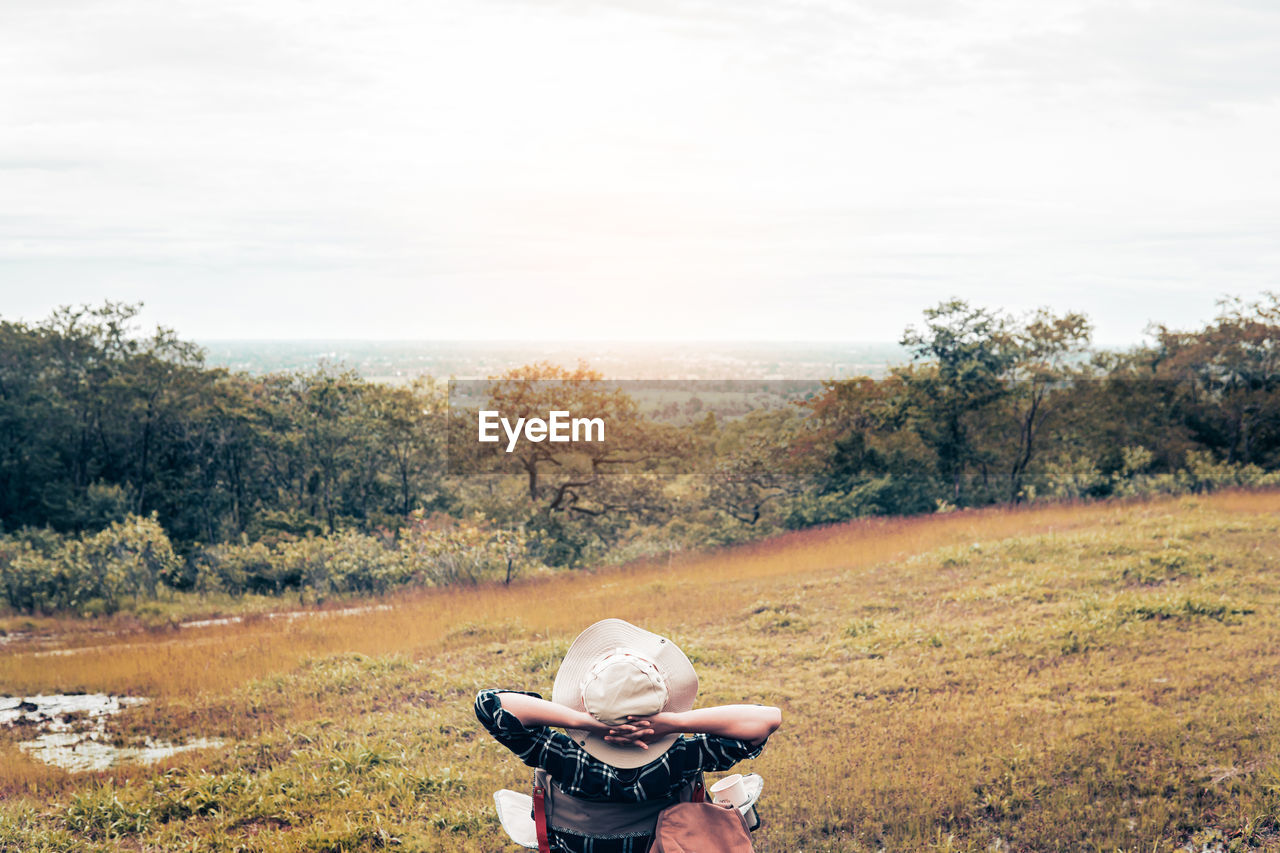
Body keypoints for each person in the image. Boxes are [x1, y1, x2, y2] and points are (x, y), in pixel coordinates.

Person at [476, 618, 782, 853]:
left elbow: (490, 704)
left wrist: (585, 722)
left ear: (585, 701)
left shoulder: (563, 757)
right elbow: (766, 720)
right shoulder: (681, 759)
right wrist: (675, 723)